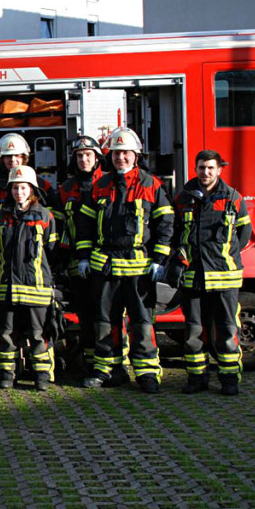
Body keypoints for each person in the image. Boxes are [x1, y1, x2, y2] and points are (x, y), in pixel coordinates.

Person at [76, 127, 174, 394]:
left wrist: (159, 259)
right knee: (105, 321)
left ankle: (147, 373)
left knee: (142, 321)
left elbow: (165, 223)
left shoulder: (151, 184)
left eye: (126, 153)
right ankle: (109, 370)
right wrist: (84, 257)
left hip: (139, 267)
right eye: (117, 153)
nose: (121, 158)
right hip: (105, 266)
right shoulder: (100, 186)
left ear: (136, 155)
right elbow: (84, 224)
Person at [0, 133, 57, 382]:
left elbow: (51, 245)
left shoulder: (44, 199)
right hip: (4, 276)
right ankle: (2, 370)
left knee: (37, 330)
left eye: (18, 156)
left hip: (34, 281)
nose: (13, 161)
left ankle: (42, 373)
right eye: (8, 157)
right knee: (2, 329)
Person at [172, 149, 251, 395]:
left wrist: (223, 256)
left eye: (210, 168)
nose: (205, 172)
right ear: (195, 169)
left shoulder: (233, 198)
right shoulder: (183, 198)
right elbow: (174, 233)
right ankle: (197, 378)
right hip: (193, 275)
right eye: (201, 167)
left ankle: (229, 379)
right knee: (194, 330)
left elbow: (244, 234)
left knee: (227, 328)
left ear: (219, 170)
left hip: (225, 277)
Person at [56, 136, 106, 376]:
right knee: (86, 316)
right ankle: (90, 363)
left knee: (107, 315)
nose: (84, 159)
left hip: (106, 263)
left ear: (97, 158)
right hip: (77, 262)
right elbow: (58, 226)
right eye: (79, 155)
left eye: (88, 155)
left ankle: (112, 363)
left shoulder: (107, 184)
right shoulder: (65, 189)